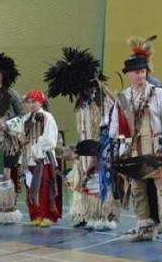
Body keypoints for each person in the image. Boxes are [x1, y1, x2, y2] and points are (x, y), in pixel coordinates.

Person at [44, 47, 119, 230]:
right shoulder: (82, 101)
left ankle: (103, 215)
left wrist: (101, 147)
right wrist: (78, 146)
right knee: (82, 179)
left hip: (102, 145)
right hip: (86, 145)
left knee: (99, 179)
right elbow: (83, 126)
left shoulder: (102, 97)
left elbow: (110, 124)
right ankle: (84, 213)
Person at [110, 53, 162, 243]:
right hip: (133, 152)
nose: (140, 76)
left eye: (142, 72)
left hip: (156, 151)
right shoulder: (123, 98)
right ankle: (145, 227)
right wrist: (121, 152)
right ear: (128, 75)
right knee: (138, 191)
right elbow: (116, 128)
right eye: (136, 72)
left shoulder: (157, 93)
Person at [10, 90, 60, 227]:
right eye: (29, 102)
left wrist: (34, 141)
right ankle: (35, 215)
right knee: (30, 187)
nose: (31, 105)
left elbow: (50, 139)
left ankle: (46, 215)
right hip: (27, 159)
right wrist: (20, 137)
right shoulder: (25, 118)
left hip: (41, 158)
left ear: (41, 102)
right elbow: (18, 134)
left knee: (43, 187)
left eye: (34, 102)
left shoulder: (47, 117)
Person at [0, 52, 25, 225]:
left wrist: (6, 124)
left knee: (5, 175)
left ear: (5, 75)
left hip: (8, 143)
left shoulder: (11, 94)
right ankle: (0, 208)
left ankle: (9, 209)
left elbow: (23, 115)